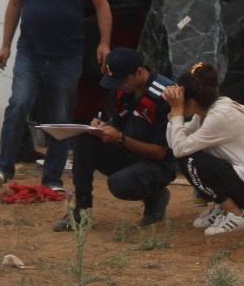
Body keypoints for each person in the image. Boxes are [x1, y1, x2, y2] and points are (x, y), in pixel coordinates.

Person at [0, 0, 112, 189]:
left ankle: (52, 179)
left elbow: (101, 4)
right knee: (19, 102)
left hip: (67, 55)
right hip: (30, 52)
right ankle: (3, 167)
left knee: (61, 117)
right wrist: (5, 45)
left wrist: (104, 43)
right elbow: (15, 3)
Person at [57, 48, 175, 232]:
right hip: (129, 152)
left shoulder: (166, 95)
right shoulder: (125, 91)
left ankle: (155, 195)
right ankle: (82, 208)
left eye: (123, 80)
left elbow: (160, 152)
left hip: (157, 164)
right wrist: (103, 129)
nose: (120, 86)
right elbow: (120, 127)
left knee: (120, 184)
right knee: (85, 141)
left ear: (138, 71)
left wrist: (120, 138)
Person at [161, 62, 244, 236]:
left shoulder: (220, 116)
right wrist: (174, 111)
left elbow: (179, 149)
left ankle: (236, 214)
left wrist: (176, 110)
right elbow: (175, 143)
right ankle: (222, 208)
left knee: (191, 159)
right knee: (188, 155)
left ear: (191, 102)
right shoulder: (206, 112)